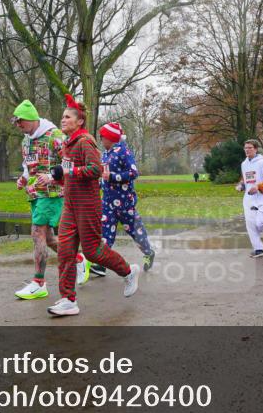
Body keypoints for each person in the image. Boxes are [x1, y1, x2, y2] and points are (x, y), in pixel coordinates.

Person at [43, 95, 140, 316]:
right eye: (62, 116)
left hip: (88, 206)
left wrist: (68, 171)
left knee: (93, 251)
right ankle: (68, 299)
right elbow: (71, 175)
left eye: (67, 116)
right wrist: (55, 178)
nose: (63, 119)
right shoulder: (67, 144)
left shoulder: (86, 141)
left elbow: (95, 170)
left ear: (80, 121)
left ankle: (128, 272)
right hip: (70, 206)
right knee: (66, 252)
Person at [11, 100, 76, 300]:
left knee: (37, 231)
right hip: (34, 193)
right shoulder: (26, 139)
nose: (18, 125)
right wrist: (23, 178)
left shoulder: (54, 136)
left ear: (31, 119)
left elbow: (70, 161)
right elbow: (27, 164)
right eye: (16, 122)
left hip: (51, 193)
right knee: (47, 239)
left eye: (20, 121)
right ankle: (79, 259)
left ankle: (39, 282)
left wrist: (54, 176)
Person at [82, 121, 155, 278]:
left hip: (125, 204)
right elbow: (103, 175)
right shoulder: (106, 153)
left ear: (111, 138)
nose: (101, 140)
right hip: (108, 203)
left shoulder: (124, 152)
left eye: (102, 137)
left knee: (136, 232)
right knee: (105, 234)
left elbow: (133, 173)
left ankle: (148, 252)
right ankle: (101, 265)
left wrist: (113, 177)